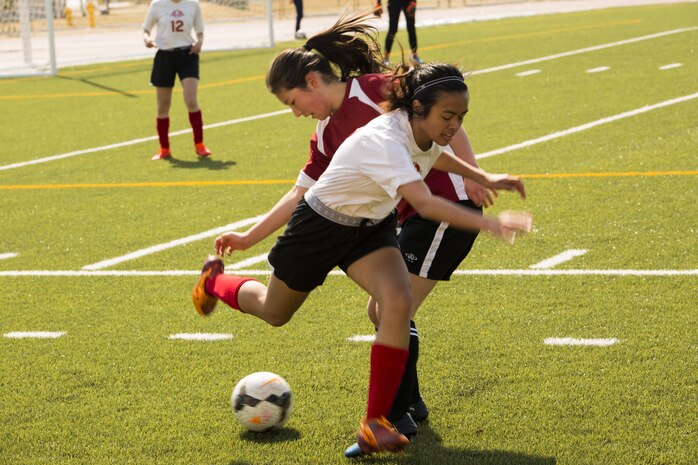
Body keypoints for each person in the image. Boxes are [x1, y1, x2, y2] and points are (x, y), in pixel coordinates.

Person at [191, 14, 531, 457]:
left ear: (313, 81)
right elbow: (307, 194)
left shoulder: (383, 96)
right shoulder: (354, 136)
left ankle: (376, 422)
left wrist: (481, 175)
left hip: (372, 225)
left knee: (395, 302)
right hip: (322, 225)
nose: (296, 113)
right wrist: (490, 223)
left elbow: (434, 145)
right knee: (275, 312)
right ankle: (214, 282)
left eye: (294, 101)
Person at [143, 0, 212, 161]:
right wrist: (146, 39)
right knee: (163, 106)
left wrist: (200, 42)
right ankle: (164, 148)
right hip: (164, 56)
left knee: (191, 100)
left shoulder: (192, 4)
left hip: (187, 55)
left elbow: (200, 31)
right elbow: (146, 29)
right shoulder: (157, 5)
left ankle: (199, 145)